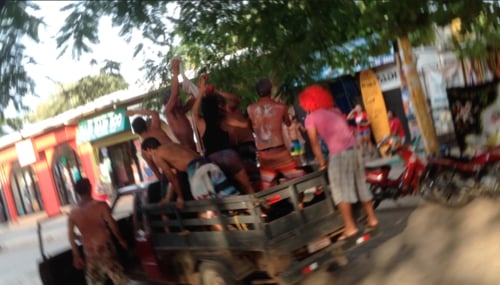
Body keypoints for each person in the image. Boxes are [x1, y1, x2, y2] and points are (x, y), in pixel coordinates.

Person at [299, 85, 379, 241]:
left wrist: (322, 162)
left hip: (339, 154)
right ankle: (372, 218)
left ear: (307, 103)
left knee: (340, 191)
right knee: (360, 184)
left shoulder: (311, 118)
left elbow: (314, 143)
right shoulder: (334, 111)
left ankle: (350, 228)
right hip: (354, 149)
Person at [192, 75, 255, 195]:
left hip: (213, 160)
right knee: (246, 186)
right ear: (217, 107)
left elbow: (194, 112)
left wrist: (201, 92)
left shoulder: (200, 123)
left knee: (225, 191)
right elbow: (244, 124)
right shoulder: (224, 119)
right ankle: (256, 207)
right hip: (229, 155)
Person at [247, 78, 305, 189]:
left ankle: (274, 204)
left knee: (266, 190)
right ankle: (300, 204)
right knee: (299, 182)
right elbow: (288, 123)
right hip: (280, 152)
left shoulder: (250, 109)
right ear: (271, 90)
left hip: (263, 155)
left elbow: (250, 129)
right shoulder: (281, 107)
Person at [68, 178, 128, 285]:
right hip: (105, 249)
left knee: (95, 282)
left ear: (77, 192)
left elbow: (71, 237)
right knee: (119, 280)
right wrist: (121, 239)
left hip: (89, 253)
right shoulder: (100, 205)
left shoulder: (73, 213)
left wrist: (76, 255)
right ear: (89, 188)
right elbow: (112, 224)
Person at [141, 137, 240, 200]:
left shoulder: (156, 155)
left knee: (208, 209)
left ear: (149, 149)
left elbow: (172, 178)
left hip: (196, 170)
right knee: (229, 196)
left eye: (146, 154)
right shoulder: (171, 145)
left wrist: (180, 198)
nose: (148, 157)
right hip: (207, 162)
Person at [164, 58, 197, 151]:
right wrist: (175, 71)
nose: (180, 98)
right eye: (176, 98)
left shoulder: (181, 110)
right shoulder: (168, 111)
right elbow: (174, 94)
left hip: (193, 147)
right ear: (168, 101)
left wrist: (193, 88)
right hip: (187, 148)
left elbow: (196, 97)